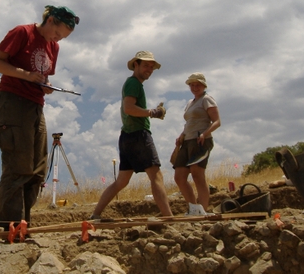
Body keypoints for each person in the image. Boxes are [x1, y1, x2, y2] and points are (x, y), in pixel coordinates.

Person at [0, 5, 79, 229]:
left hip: (36, 105)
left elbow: (43, 76)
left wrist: (45, 85)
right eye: (57, 34)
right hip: (12, 102)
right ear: (50, 21)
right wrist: (26, 75)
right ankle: (8, 226)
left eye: (62, 38)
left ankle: (23, 225)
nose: (57, 40)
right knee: (18, 166)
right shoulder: (22, 33)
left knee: (37, 170)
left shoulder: (53, 47)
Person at [90, 51, 173, 218]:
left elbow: (128, 108)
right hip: (138, 135)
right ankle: (168, 217)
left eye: (152, 66)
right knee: (156, 175)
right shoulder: (134, 83)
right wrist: (152, 112)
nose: (149, 69)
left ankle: (95, 215)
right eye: (146, 65)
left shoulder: (133, 84)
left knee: (121, 181)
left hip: (127, 137)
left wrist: (152, 112)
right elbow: (129, 108)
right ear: (136, 65)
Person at [173, 72, 221, 216]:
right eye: (192, 85)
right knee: (179, 176)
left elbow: (217, 121)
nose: (195, 87)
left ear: (203, 85)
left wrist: (205, 133)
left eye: (198, 84)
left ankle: (203, 210)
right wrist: (182, 135)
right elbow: (189, 123)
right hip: (187, 141)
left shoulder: (207, 99)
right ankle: (194, 208)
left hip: (200, 140)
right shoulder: (190, 103)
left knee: (197, 174)